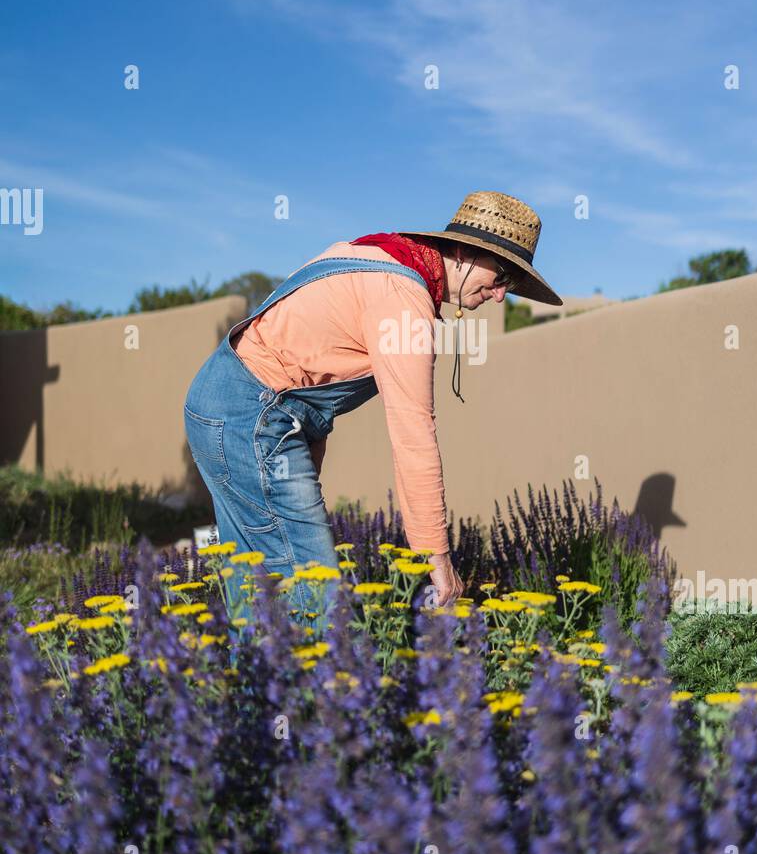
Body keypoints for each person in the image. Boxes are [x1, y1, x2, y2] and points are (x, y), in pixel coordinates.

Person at [183, 190, 562, 616]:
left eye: (510, 286)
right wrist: (435, 556)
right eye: (502, 275)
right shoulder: (403, 301)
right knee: (319, 601)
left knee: (255, 590)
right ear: (462, 251)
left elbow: (304, 380)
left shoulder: (374, 255)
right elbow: (413, 437)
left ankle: (248, 679)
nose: (499, 296)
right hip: (251, 415)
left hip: (221, 402)